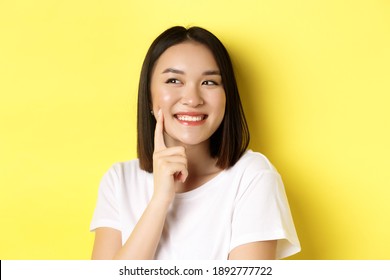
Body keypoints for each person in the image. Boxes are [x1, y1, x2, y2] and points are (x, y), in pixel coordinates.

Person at [90, 26, 301, 260]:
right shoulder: (119, 181)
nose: (192, 99)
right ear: (149, 95)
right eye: (173, 80)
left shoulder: (252, 177)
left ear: (226, 97)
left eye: (209, 83)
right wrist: (160, 200)